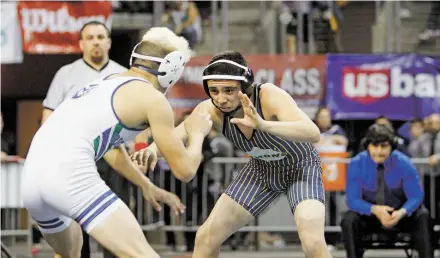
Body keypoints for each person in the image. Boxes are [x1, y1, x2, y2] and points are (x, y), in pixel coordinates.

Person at [21, 27, 212, 258]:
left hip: (31, 177)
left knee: (70, 252)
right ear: (170, 70)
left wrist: (145, 184)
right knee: (142, 254)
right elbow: (185, 170)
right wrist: (198, 133)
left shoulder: (107, 81)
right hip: (68, 172)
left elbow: (111, 149)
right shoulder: (152, 98)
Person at [133, 50, 332, 257]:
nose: (221, 99)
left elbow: (313, 133)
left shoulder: (268, 95)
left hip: (300, 168)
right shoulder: (210, 110)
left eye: (229, 90)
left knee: (312, 243)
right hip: (261, 171)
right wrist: (151, 151)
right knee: (205, 238)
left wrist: (263, 124)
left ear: (245, 87)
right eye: (214, 91)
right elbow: (175, 137)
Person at [39, 20, 128, 258]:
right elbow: (48, 113)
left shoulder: (122, 75)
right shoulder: (65, 74)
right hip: (76, 161)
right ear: (81, 43)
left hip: (115, 160)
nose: (96, 42)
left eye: (100, 36)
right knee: (78, 223)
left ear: (109, 42)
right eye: (90, 37)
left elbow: (137, 118)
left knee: (114, 221)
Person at [340, 124, 434, 258]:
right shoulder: (357, 163)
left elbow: (416, 196)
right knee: (348, 220)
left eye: (384, 146)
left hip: (400, 215)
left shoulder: (404, 163)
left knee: (423, 216)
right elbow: (353, 200)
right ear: (367, 146)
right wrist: (375, 210)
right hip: (370, 215)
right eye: (374, 146)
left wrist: (402, 212)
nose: (379, 151)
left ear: (391, 147)